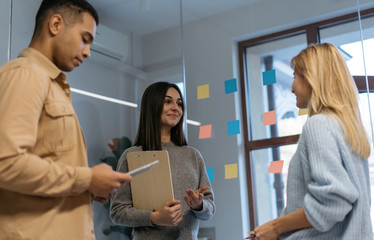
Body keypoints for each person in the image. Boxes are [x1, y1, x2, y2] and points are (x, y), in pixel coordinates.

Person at [0, 1, 131, 239]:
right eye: (85, 38)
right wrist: (88, 178)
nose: (87, 52)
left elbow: (43, 175)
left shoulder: (53, 87)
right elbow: (6, 163)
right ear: (56, 24)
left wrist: (88, 189)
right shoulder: (25, 74)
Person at [253, 43, 372, 239]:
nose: (291, 87)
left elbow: (333, 201)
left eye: (295, 77)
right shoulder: (350, 128)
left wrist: (276, 227)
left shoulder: (318, 124)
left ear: (311, 78)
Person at [110, 82, 215, 239]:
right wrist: (154, 217)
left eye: (179, 103)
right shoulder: (132, 156)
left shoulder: (193, 155)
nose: (176, 108)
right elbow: (117, 212)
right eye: (168, 101)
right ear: (152, 106)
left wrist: (199, 205)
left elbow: (210, 209)